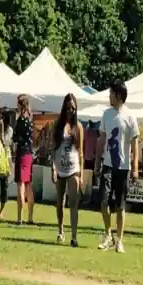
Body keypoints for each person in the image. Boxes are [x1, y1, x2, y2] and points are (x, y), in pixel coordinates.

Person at [96, 81, 138, 253]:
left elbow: (135, 144)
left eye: (111, 93)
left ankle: (119, 240)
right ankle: (108, 235)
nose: (109, 96)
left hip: (122, 166)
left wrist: (135, 167)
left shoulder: (130, 116)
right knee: (104, 201)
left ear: (119, 96)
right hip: (107, 165)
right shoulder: (106, 114)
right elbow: (101, 139)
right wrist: (98, 161)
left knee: (120, 205)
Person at [52, 93, 84, 247]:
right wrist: (53, 167)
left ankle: (74, 236)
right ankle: (60, 230)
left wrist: (82, 174)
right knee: (60, 202)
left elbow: (81, 152)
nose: (71, 110)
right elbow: (53, 148)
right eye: (68, 107)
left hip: (74, 168)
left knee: (74, 202)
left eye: (73, 108)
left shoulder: (78, 127)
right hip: (60, 167)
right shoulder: (57, 126)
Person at [14, 94, 35, 225]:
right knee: (28, 185)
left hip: (21, 153)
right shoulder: (30, 119)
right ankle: (30, 217)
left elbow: (16, 137)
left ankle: (20, 218)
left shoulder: (21, 120)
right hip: (29, 153)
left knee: (21, 185)